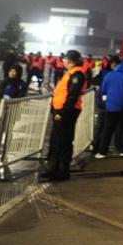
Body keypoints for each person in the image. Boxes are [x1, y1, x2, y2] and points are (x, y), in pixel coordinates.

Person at [38, 50, 87, 182]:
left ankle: (62, 171)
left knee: (63, 142)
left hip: (67, 112)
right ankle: (53, 169)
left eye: (64, 59)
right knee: (56, 141)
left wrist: (61, 112)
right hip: (60, 111)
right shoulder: (71, 73)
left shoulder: (77, 74)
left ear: (70, 60)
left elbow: (72, 96)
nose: (63, 61)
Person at [96, 58, 123, 157]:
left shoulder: (109, 75)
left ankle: (102, 151)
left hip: (111, 106)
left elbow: (103, 90)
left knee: (107, 129)